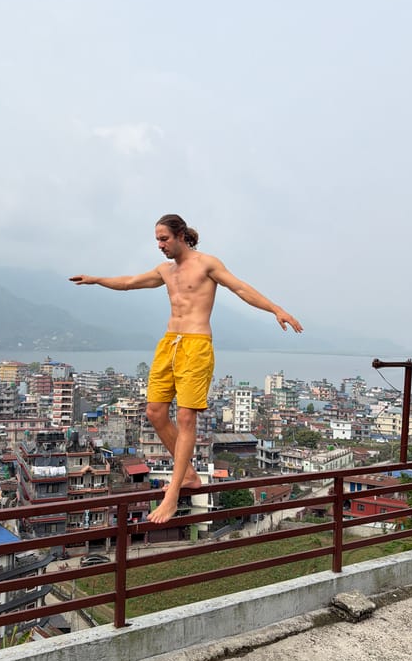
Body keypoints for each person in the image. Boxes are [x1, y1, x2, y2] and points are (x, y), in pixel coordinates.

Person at [69, 214, 303, 524]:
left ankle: (173, 493)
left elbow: (241, 289)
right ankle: (190, 475)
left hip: (196, 345)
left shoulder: (207, 263)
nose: (160, 245)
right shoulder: (165, 271)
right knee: (154, 411)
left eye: (164, 238)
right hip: (169, 343)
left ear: (180, 235)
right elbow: (128, 283)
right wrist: (97, 279)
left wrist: (277, 309)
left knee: (185, 416)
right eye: (157, 239)